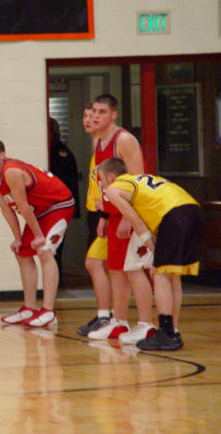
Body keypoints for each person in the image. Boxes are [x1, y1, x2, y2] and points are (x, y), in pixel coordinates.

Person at [98, 158, 204, 350]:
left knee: (160, 274)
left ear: (111, 177)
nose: (101, 185)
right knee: (173, 276)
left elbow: (137, 223)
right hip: (195, 211)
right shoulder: (141, 179)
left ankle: (166, 334)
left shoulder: (113, 189)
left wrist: (155, 255)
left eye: (101, 180)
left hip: (173, 216)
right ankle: (173, 331)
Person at [0, 139, 75, 328]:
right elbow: (6, 208)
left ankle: (48, 311)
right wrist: (18, 238)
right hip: (39, 212)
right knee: (22, 253)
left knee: (45, 250)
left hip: (58, 205)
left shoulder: (11, 171)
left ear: (2, 155)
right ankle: (29, 308)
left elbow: (23, 207)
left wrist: (39, 236)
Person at [86, 94, 155, 344]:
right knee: (115, 269)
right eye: (94, 111)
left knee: (134, 270)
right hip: (114, 212)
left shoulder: (123, 140)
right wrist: (104, 216)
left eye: (102, 112)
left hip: (130, 214)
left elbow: (138, 181)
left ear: (113, 115)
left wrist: (129, 217)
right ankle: (119, 321)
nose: (96, 116)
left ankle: (146, 324)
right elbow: (106, 184)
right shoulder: (98, 141)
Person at [77, 105, 112, 336]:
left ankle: (107, 316)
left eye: (94, 116)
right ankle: (107, 315)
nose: (89, 120)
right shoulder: (96, 148)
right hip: (96, 213)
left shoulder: (110, 147)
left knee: (95, 263)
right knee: (104, 266)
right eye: (86, 116)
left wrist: (105, 214)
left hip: (107, 213)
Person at [48, 117, 80, 286]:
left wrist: (73, 210)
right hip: (47, 207)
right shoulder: (47, 151)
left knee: (56, 246)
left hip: (60, 206)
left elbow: (70, 184)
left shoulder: (62, 154)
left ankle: (58, 281)